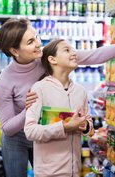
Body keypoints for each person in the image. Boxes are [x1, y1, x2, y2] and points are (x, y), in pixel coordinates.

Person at [0, 18, 115, 177]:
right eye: (31, 41)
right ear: (14, 51)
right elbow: (7, 127)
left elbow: (92, 56)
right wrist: (30, 109)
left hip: (47, 131)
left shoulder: (46, 56)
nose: (38, 43)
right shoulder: (5, 80)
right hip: (17, 139)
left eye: (37, 36)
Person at [24, 39, 95, 177]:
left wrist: (85, 126)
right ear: (52, 59)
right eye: (67, 50)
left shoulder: (80, 91)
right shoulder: (40, 88)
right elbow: (30, 131)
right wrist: (64, 127)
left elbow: (90, 127)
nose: (74, 53)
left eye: (73, 50)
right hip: (48, 173)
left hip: (75, 171)